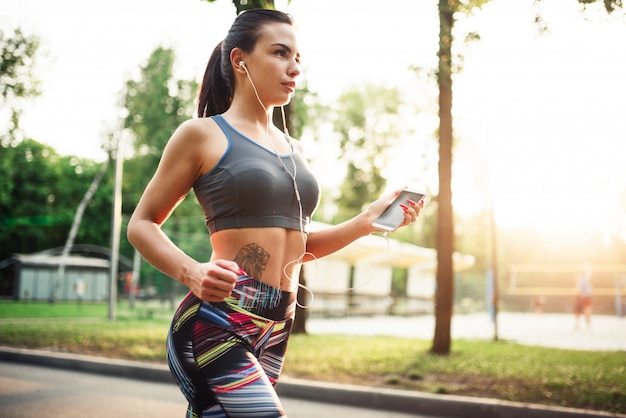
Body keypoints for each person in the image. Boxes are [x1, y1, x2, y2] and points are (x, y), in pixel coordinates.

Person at [127, 9, 424, 418]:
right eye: (280, 53)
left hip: (275, 324)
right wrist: (191, 272)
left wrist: (364, 222)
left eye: (298, 58)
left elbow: (298, 249)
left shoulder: (294, 149)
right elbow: (141, 224)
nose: (294, 68)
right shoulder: (201, 134)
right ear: (239, 59)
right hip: (219, 318)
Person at [574, 263, 593, 329]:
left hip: (585, 296)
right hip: (582, 296)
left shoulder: (584, 278)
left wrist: (586, 266)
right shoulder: (581, 279)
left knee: (586, 310)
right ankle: (579, 324)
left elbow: (589, 272)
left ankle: (587, 324)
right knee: (578, 310)